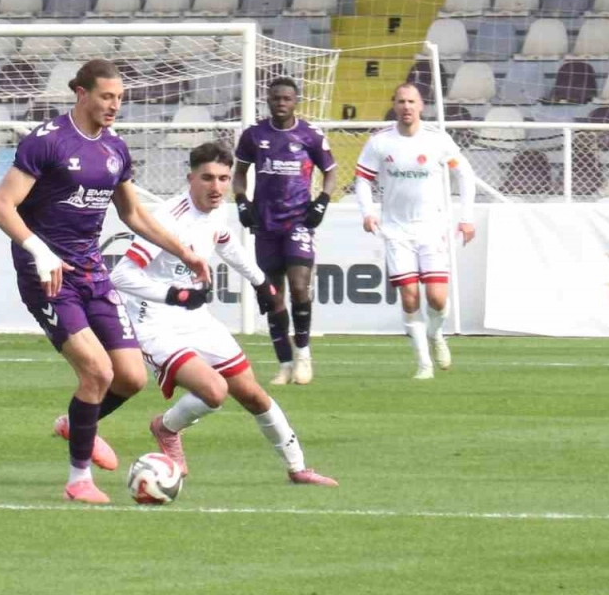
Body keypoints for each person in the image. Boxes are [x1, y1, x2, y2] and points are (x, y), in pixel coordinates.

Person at [0, 59, 212, 505]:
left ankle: (76, 424)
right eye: (106, 96)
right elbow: (1, 206)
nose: (114, 106)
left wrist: (182, 250)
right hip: (48, 276)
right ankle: (79, 480)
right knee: (97, 371)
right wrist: (40, 251)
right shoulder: (47, 141)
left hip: (92, 271)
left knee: (130, 378)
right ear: (81, 93)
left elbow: (133, 214)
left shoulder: (115, 149)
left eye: (119, 98)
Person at [110, 142, 337, 486]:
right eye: (207, 178)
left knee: (252, 394)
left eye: (223, 178)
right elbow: (121, 275)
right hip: (153, 321)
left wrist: (262, 283)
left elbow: (226, 243)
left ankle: (298, 468)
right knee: (214, 392)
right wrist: (173, 294)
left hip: (195, 318)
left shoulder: (217, 210)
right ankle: (166, 428)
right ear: (190, 178)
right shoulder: (168, 219)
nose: (216, 187)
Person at [354, 84, 477, 380]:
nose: (406, 106)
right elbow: (362, 179)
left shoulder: (437, 140)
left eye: (411, 101)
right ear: (394, 105)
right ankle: (424, 364)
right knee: (409, 296)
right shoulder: (380, 142)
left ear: (421, 105)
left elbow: (464, 174)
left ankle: (436, 334)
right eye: (401, 101)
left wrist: (467, 218)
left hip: (432, 228)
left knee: (437, 298)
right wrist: (367, 211)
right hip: (396, 231)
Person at [232, 77, 337, 386]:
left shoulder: (310, 135)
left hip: (298, 222)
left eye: (287, 98)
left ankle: (303, 355)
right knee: (273, 297)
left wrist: (322, 201)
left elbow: (330, 172)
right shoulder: (254, 135)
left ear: (296, 101)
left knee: (300, 287)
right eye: (276, 98)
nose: (281, 103)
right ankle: (285, 364)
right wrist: (241, 201)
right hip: (265, 224)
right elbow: (239, 174)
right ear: (268, 100)